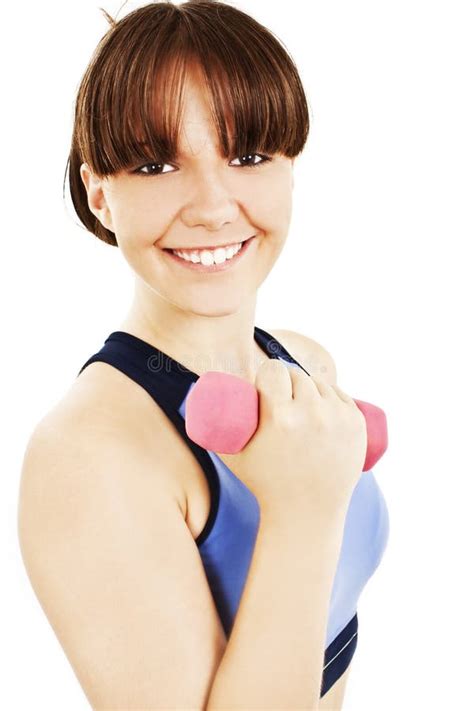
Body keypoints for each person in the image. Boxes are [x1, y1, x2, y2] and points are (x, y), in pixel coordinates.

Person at [18, 2, 390, 709]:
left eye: (248, 155)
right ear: (100, 191)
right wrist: (302, 511)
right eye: (156, 163)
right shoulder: (85, 456)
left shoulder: (303, 366)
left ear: (290, 168)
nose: (214, 205)